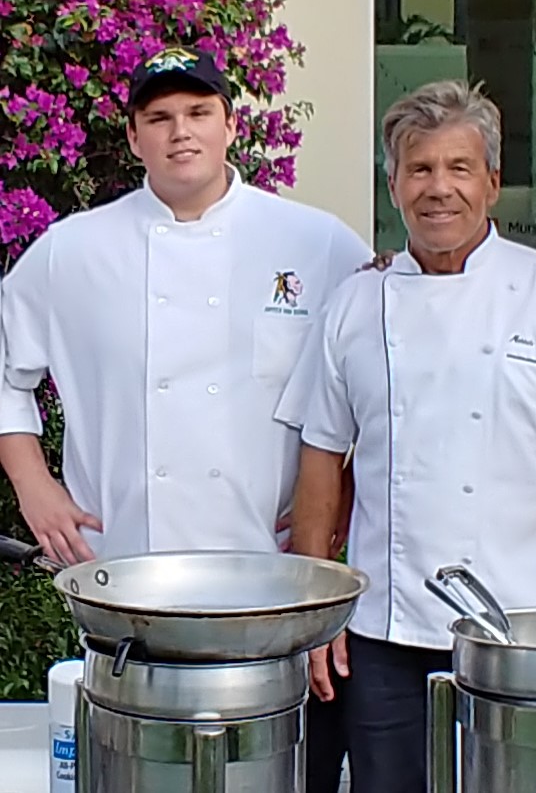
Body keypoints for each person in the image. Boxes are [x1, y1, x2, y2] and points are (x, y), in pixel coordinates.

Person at [0, 46, 368, 792]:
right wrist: (33, 485)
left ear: (230, 125)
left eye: (199, 113)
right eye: (159, 118)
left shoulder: (315, 242)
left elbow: (380, 386)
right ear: (134, 137)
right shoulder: (72, 250)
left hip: (269, 578)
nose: (181, 133)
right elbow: (8, 374)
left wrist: (338, 530)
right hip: (125, 574)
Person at [276, 79, 536, 793]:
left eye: (459, 168)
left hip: (525, 626)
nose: (439, 189)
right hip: (385, 632)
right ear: (395, 185)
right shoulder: (356, 302)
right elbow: (320, 459)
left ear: (492, 183)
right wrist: (316, 614)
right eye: (420, 169)